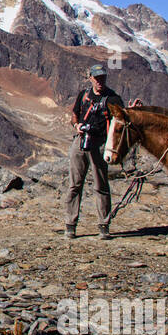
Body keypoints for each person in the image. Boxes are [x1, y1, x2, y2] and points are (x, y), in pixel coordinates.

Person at [65, 63, 125, 240]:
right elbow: (74, 114)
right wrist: (77, 126)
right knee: (75, 184)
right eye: (97, 78)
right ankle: (70, 224)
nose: (100, 81)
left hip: (99, 144)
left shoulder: (113, 99)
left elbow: (122, 119)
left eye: (102, 78)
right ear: (90, 77)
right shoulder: (84, 95)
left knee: (101, 184)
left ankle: (104, 225)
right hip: (81, 141)